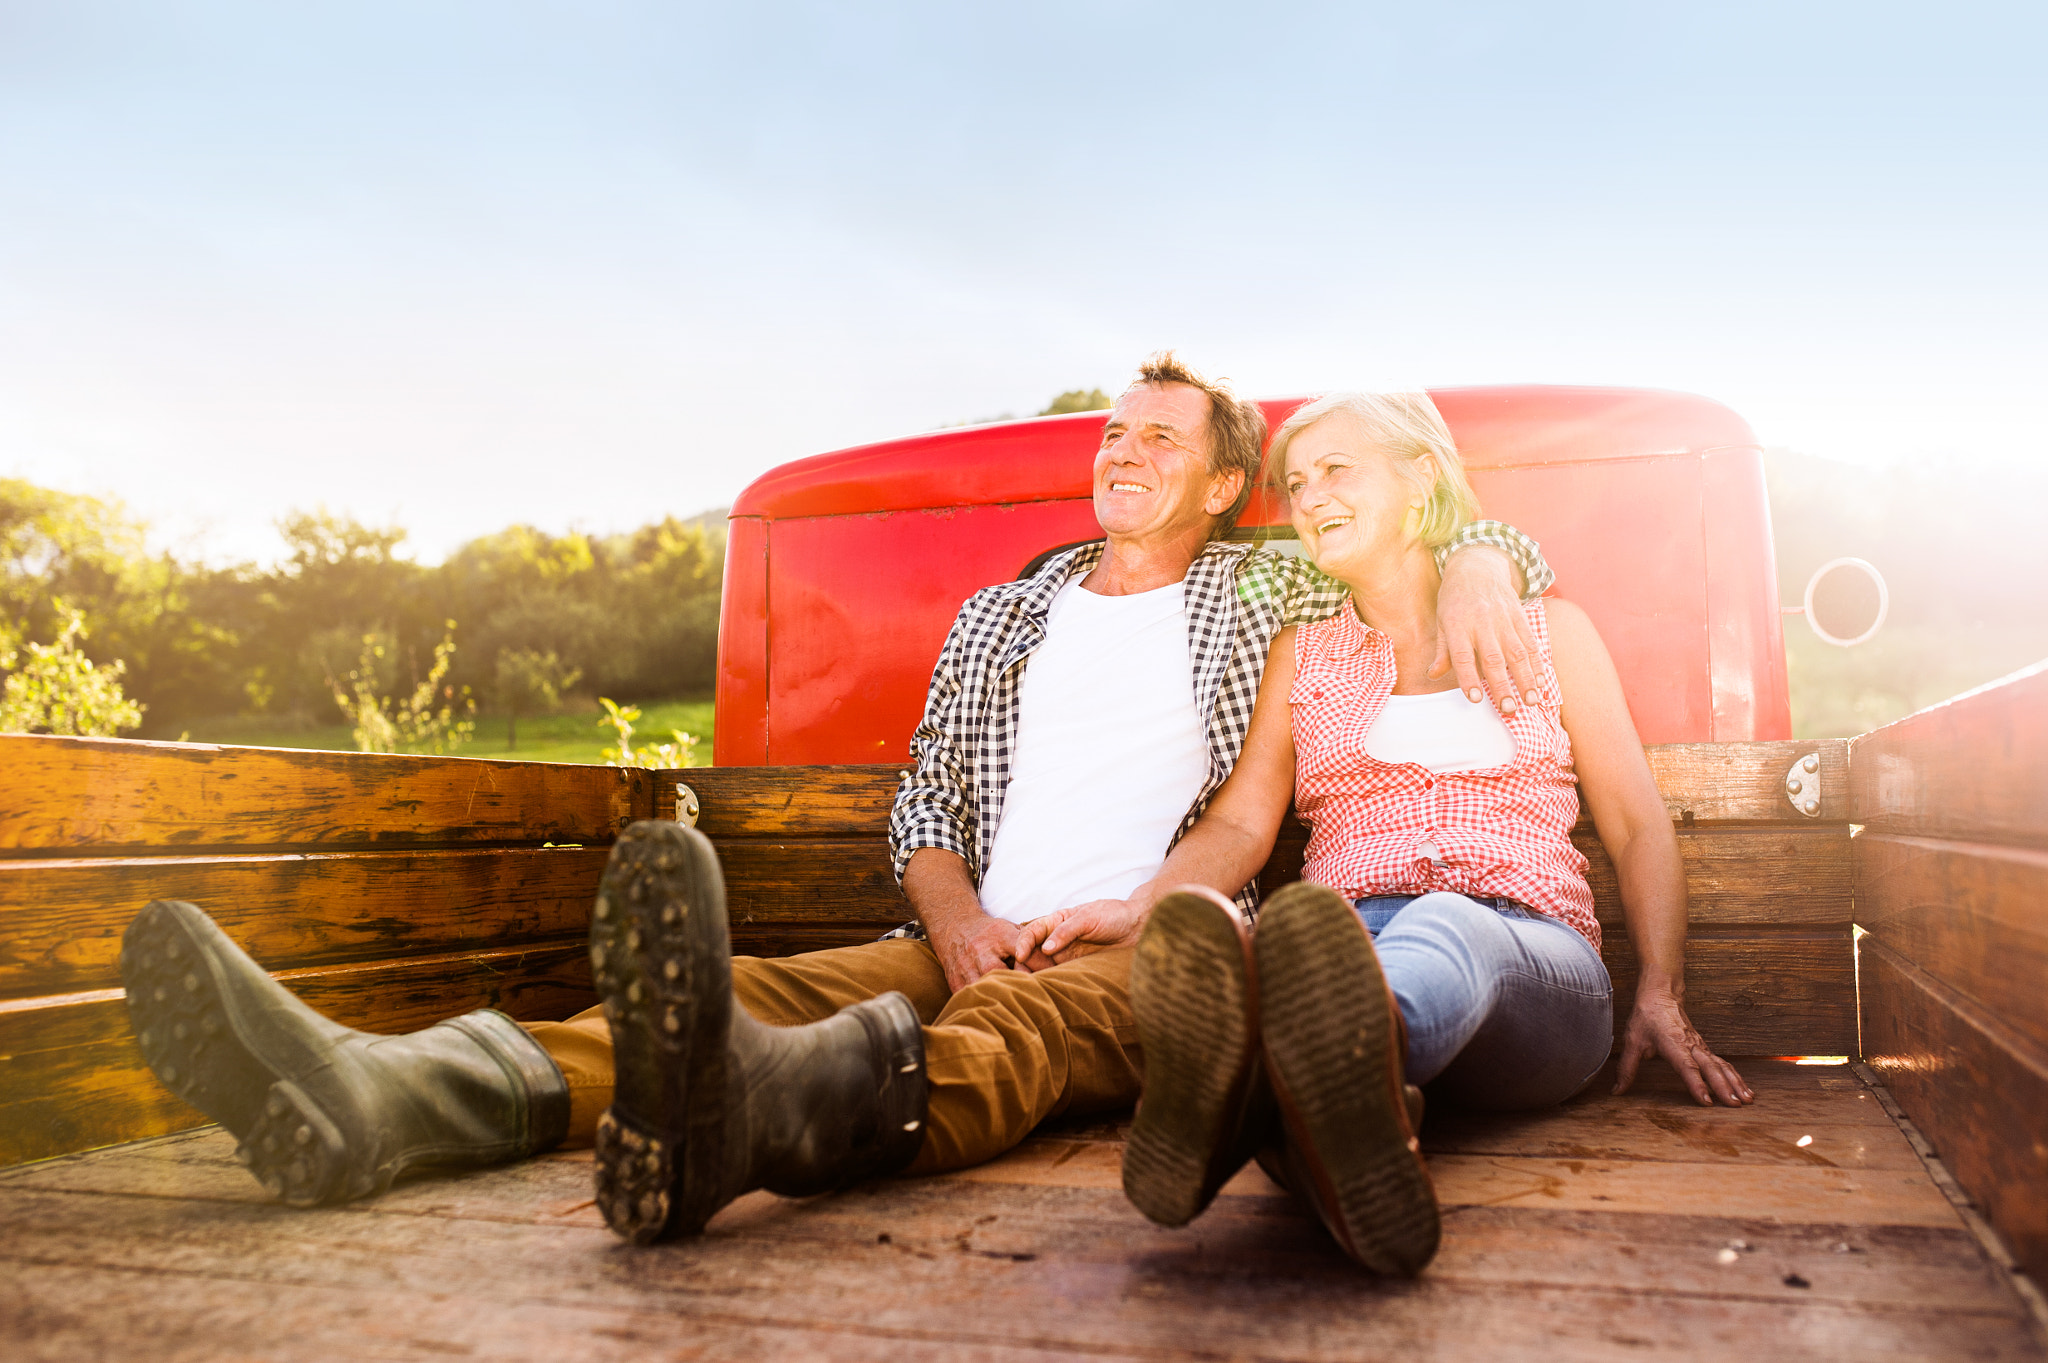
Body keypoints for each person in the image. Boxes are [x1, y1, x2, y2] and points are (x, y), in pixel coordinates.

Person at [118, 356, 1555, 1240]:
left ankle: (756, 1126)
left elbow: (1413, 532)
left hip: (1149, 947)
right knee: (740, 993)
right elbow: (927, 800)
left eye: (1159, 439)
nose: (1119, 452)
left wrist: (1488, 550)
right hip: (958, 928)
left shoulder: (1268, 585)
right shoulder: (1009, 611)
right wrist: (958, 914)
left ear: (1229, 480)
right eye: (1110, 433)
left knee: (1024, 1023)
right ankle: (389, 1088)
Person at [1018, 390, 1753, 1276]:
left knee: (1448, 922)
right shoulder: (1305, 652)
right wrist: (1143, 908)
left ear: (1422, 477)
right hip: (1354, 932)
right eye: (1294, 483)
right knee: (1293, 945)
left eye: (1336, 469)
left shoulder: (1551, 632)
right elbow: (1246, 819)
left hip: (1534, 967)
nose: (1309, 497)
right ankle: (1332, 1111)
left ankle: (1294, 1066)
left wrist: (1660, 991)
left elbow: (1637, 827)